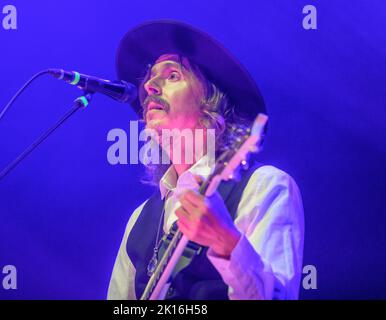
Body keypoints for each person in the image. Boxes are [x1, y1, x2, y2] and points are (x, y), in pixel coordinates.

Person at [107, 20, 304, 300]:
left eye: (172, 75)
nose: (149, 85)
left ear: (212, 102)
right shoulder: (139, 219)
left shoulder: (265, 187)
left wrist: (226, 242)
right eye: (149, 77)